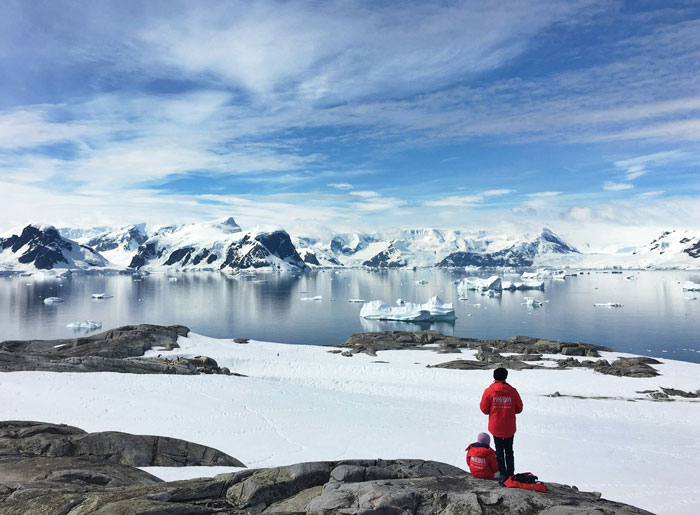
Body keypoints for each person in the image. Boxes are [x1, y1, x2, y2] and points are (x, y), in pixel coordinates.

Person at [480, 367, 523, 481]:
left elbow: (484, 409)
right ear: (505, 377)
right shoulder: (512, 391)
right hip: (509, 426)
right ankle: (510, 473)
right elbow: (519, 408)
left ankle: (502, 473)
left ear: (494, 377)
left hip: (496, 425)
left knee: (499, 450)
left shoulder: (489, 391)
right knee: (509, 450)